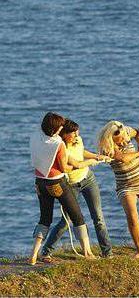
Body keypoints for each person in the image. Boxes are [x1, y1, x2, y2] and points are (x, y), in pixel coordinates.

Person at [41, 119, 113, 260]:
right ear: (64, 134)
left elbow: (81, 152)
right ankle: (46, 251)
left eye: (76, 131)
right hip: (71, 185)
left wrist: (97, 156)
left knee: (98, 217)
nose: (76, 134)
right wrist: (93, 162)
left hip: (88, 180)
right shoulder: (61, 148)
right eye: (73, 133)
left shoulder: (77, 140)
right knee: (66, 221)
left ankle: (107, 252)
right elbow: (77, 164)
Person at [30, 112, 96, 265]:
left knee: (45, 219)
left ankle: (33, 254)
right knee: (77, 217)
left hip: (40, 182)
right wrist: (84, 163)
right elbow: (65, 168)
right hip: (56, 183)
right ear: (56, 129)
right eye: (60, 127)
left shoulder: (36, 136)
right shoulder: (58, 144)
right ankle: (87, 252)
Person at [98, 120, 139, 258]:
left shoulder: (125, 131)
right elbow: (123, 158)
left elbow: (138, 133)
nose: (123, 140)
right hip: (125, 185)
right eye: (119, 139)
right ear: (111, 137)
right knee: (133, 216)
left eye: (123, 137)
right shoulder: (106, 147)